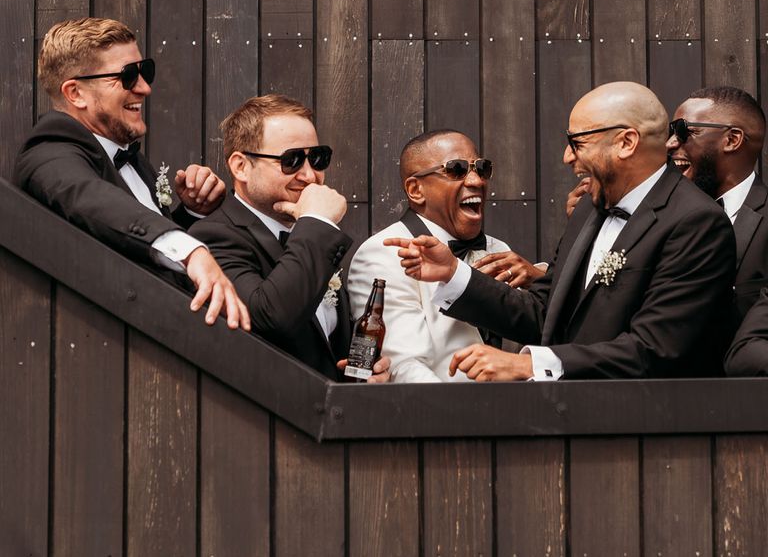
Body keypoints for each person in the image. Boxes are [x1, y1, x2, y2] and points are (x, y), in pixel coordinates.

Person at [386, 82, 736, 380]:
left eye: (578, 142)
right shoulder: (588, 209)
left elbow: (655, 347)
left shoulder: (697, 222)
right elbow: (545, 313)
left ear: (626, 142)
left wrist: (529, 364)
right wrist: (453, 274)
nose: (568, 157)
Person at [14, 17, 248, 329]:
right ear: (75, 93)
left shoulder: (130, 160)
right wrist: (192, 253)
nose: (144, 87)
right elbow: (93, 202)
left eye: (144, 71)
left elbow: (136, 253)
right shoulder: (47, 153)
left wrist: (191, 214)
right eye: (127, 76)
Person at [189, 94, 389, 381]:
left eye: (318, 158)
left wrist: (364, 372)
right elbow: (271, 319)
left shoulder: (308, 236)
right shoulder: (213, 236)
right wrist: (317, 222)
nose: (309, 175)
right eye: (291, 160)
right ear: (241, 166)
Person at [348, 130, 544, 382]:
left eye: (481, 168)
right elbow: (404, 367)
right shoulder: (383, 253)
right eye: (457, 169)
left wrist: (538, 277)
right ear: (416, 189)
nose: (476, 181)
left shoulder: (500, 250)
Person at [665, 87, 768, 326]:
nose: (670, 143)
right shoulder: (659, 215)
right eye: (670, 132)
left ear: (732, 140)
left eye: (684, 131)